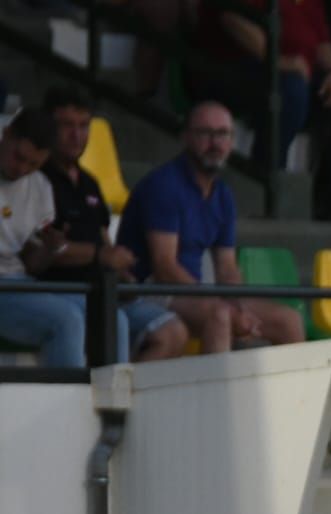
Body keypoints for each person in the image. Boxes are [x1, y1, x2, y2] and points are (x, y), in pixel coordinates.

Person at [116, 102, 306, 355]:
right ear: (186, 137)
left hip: (192, 292)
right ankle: (220, 395)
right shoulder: (164, 185)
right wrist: (223, 306)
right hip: (149, 290)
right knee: (220, 316)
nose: (215, 143)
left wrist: (240, 307)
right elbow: (164, 267)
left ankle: (296, 395)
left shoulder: (223, 195)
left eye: (223, 134)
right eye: (205, 133)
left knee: (288, 320)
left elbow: (227, 267)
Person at [38, 88, 188, 362]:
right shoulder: (36, 179)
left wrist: (122, 274)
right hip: (61, 292)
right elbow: (41, 251)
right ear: (49, 127)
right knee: (112, 322)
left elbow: (103, 238)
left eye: (83, 126)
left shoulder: (89, 183)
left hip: (105, 292)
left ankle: (133, 402)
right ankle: (108, 400)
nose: (77, 135)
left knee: (172, 331)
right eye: (67, 125)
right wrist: (99, 255)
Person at [199, 0, 331, 219]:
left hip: (295, 74)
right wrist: (279, 61)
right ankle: (265, 187)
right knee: (290, 89)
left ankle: (328, 203)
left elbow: (323, 46)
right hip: (236, 68)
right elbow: (233, 20)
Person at [0, 107, 122, 369]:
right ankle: (71, 405)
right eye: (18, 157)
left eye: (33, 164)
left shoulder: (41, 187)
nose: (22, 169)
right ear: (6, 135)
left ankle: (117, 401)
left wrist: (49, 249)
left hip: (20, 282)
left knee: (112, 316)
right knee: (66, 319)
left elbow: (32, 263)